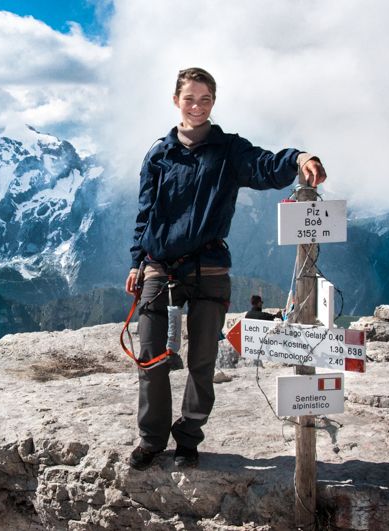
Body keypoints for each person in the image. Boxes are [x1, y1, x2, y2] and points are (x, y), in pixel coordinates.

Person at [125, 68, 327, 470]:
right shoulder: (159, 154)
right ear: (175, 100)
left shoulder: (229, 151)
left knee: (202, 361)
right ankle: (152, 440)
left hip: (209, 267)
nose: (196, 106)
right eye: (189, 98)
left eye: (204, 99)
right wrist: (137, 262)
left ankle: (188, 439)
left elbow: (266, 165)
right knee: (151, 358)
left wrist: (301, 158)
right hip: (159, 266)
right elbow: (145, 212)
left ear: (213, 102)